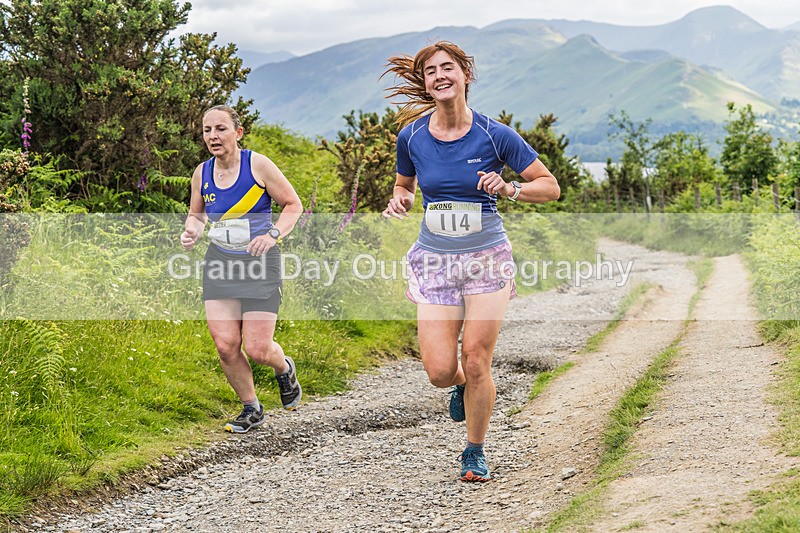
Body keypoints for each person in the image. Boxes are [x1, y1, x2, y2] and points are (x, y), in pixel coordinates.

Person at [382, 42, 560, 481]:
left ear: (465, 75)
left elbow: (550, 186)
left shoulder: (495, 134)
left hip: (487, 257)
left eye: (448, 68)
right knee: (441, 371)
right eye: (430, 71)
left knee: (478, 358)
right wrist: (400, 201)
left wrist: (509, 189)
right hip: (435, 258)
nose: (440, 76)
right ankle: (459, 385)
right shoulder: (413, 137)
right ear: (425, 83)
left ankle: (474, 451)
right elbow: (404, 185)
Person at [180, 105, 303, 433]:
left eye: (220, 128)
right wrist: (191, 230)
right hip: (220, 261)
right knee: (225, 344)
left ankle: (284, 367)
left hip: (260, 262)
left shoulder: (257, 165)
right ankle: (251, 408)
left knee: (258, 349)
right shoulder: (201, 173)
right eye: (207, 130)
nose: (212, 136)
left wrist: (273, 234)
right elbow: (197, 213)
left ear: (238, 132)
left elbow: (293, 204)